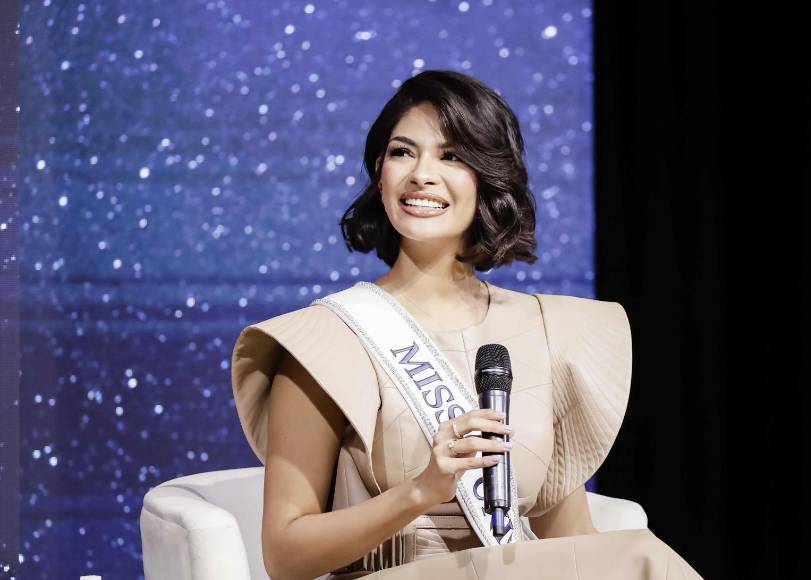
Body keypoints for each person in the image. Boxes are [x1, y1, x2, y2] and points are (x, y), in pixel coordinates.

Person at [231, 70, 703, 579]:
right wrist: (420, 491)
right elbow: (285, 556)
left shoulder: (547, 329)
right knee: (644, 559)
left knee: (635, 560)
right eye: (402, 152)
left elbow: (569, 542)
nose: (422, 175)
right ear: (379, 172)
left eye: (452, 156)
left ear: (490, 177)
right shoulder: (327, 337)